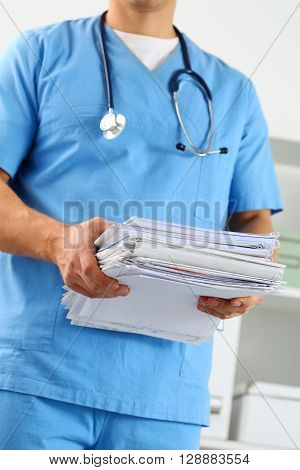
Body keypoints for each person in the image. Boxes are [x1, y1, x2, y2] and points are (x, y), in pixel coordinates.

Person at [0, 0, 282, 450]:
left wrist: (249, 278)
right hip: (35, 380)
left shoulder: (233, 92)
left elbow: (252, 219)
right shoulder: (38, 55)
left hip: (164, 393)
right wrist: (58, 242)